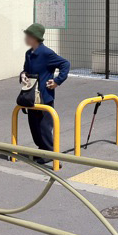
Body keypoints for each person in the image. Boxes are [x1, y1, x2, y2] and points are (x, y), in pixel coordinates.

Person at [21, 23, 70, 165]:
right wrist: (23, 74)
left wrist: (57, 81)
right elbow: (25, 69)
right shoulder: (29, 53)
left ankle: (50, 153)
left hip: (44, 96)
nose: (25, 38)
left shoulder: (46, 53)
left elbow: (65, 64)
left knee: (44, 127)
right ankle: (41, 150)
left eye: (28, 36)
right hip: (31, 95)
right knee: (34, 126)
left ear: (35, 37)